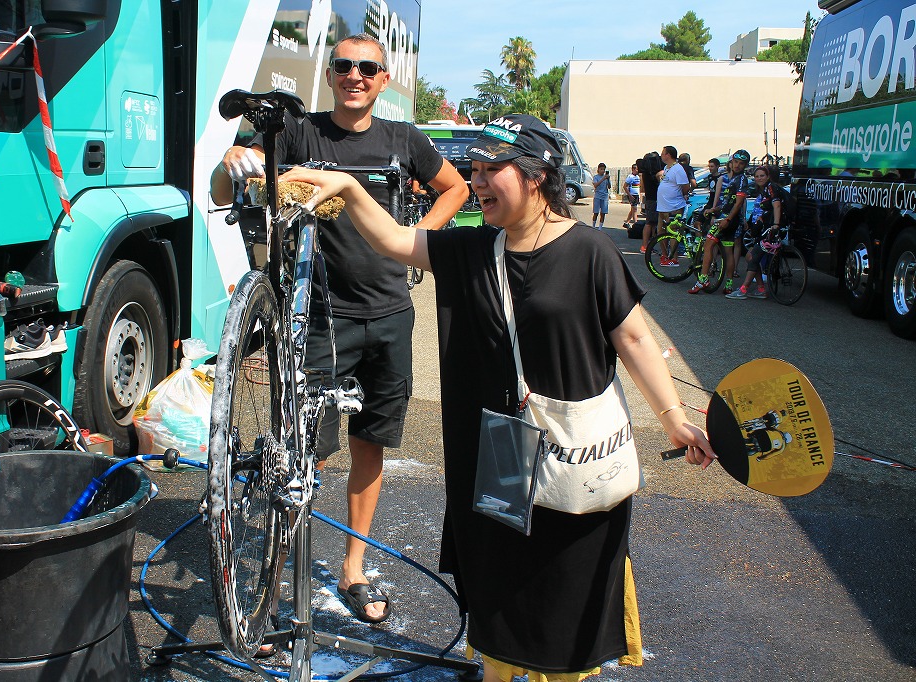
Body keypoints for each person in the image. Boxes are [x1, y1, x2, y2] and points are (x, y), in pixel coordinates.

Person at [282, 114, 715, 682]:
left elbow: (634, 336)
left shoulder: (590, 250)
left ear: (535, 176)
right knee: (504, 576)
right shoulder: (473, 250)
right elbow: (392, 240)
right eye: (475, 170)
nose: (477, 182)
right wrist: (347, 187)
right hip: (505, 448)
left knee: (566, 578)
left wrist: (675, 419)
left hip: (575, 446)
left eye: (492, 170)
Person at [210, 33, 468, 625]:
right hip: (317, 319)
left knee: (369, 441)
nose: (356, 75)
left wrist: (415, 244)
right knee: (303, 452)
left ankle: (353, 565)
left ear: (382, 80)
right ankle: (279, 571)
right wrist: (232, 163)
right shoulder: (299, 133)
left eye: (368, 68)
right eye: (345, 66)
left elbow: (453, 187)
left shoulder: (404, 140)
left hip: (388, 315)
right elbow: (232, 190)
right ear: (331, 75)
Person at [689, 149, 749, 295]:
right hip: (728, 218)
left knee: (708, 245)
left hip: (727, 220)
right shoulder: (734, 179)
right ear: (731, 162)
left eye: (741, 164)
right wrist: (714, 210)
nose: (737, 166)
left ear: (745, 165)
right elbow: (730, 202)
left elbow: (739, 203)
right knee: (728, 251)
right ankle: (728, 284)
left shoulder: (741, 179)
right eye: (735, 162)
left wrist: (727, 219)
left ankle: (703, 279)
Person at [727, 165, 781, 299]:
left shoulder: (771, 188)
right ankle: (761, 289)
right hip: (761, 229)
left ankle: (743, 289)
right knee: (750, 257)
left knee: (753, 256)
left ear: (768, 176)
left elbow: (777, 205)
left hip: (770, 229)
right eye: (757, 176)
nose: (759, 178)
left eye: (762, 175)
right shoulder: (763, 191)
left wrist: (776, 225)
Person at [655, 145, 690, 266]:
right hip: (662, 207)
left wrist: (681, 195)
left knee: (673, 232)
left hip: (674, 207)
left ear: (668, 155)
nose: (661, 155)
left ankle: (674, 258)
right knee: (660, 231)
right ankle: (665, 255)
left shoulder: (678, 169)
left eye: (663, 153)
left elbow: (686, 186)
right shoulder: (667, 168)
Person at [638, 153, 661, 254]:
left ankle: (648, 245)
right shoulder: (650, 173)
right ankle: (644, 246)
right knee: (649, 223)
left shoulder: (647, 172)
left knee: (652, 224)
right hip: (652, 199)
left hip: (651, 199)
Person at [591, 163, 611, 229]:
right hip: (597, 196)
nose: (602, 171)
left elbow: (609, 186)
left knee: (603, 213)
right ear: (598, 169)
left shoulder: (606, 177)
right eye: (601, 169)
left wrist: (608, 179)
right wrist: (603, 179)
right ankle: (593, 226)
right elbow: (595, 185)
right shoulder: (596, 177)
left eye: (604, 169)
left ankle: (600, 227)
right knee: (596, 212)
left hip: (604, 196)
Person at [623, 163, 640, 228]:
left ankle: (627, 222)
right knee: (635, 209)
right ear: (633, 169)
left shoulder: (638, 177)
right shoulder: (630, 177)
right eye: (636, 169)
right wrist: (629, 195)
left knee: (633, 209)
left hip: (636, 195)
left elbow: (639, 187)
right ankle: (636, 224)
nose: (637, 171)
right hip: (632, 195)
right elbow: (625, 186)